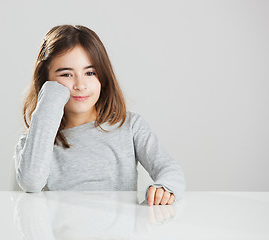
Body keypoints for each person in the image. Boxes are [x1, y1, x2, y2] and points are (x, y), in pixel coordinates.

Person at [13, 24, 186, 206]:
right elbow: (31, 182)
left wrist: (165, 187)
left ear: (102, 76)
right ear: (46, 83)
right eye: (66, 74)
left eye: (90, 72)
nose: (80, 85)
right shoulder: (34, 143)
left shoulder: (130, 126)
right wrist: (49, 100)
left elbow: (170, 169)